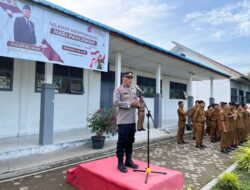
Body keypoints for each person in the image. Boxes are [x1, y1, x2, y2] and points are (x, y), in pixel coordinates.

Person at [113, 72, 139, 173]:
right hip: (123, 122)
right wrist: (129, 104)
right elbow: (116, 102)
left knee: (130, 142)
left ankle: (128, 160)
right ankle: (120, 163)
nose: (130, 80)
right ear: (123, 78)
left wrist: (138, 104)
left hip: (132, 121)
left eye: (131, 78)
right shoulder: (118, 89)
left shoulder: (133, 90)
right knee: (122, 143)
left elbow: (135, 102)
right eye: (128, 78)